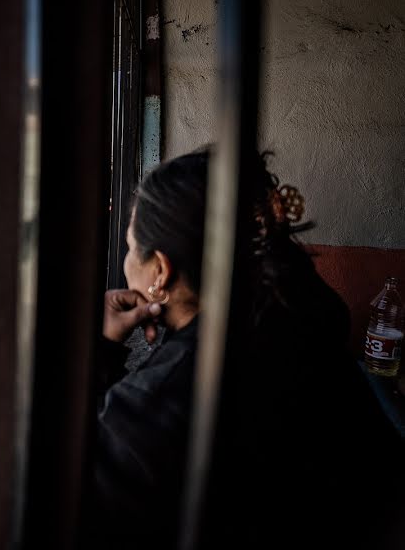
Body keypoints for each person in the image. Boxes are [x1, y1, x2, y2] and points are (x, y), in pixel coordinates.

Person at [95, 150, 401, 549]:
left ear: (161, 272)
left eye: (132, 245)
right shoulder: (300, 314)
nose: (126, 258)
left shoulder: (152, 403)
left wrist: (101, 349)